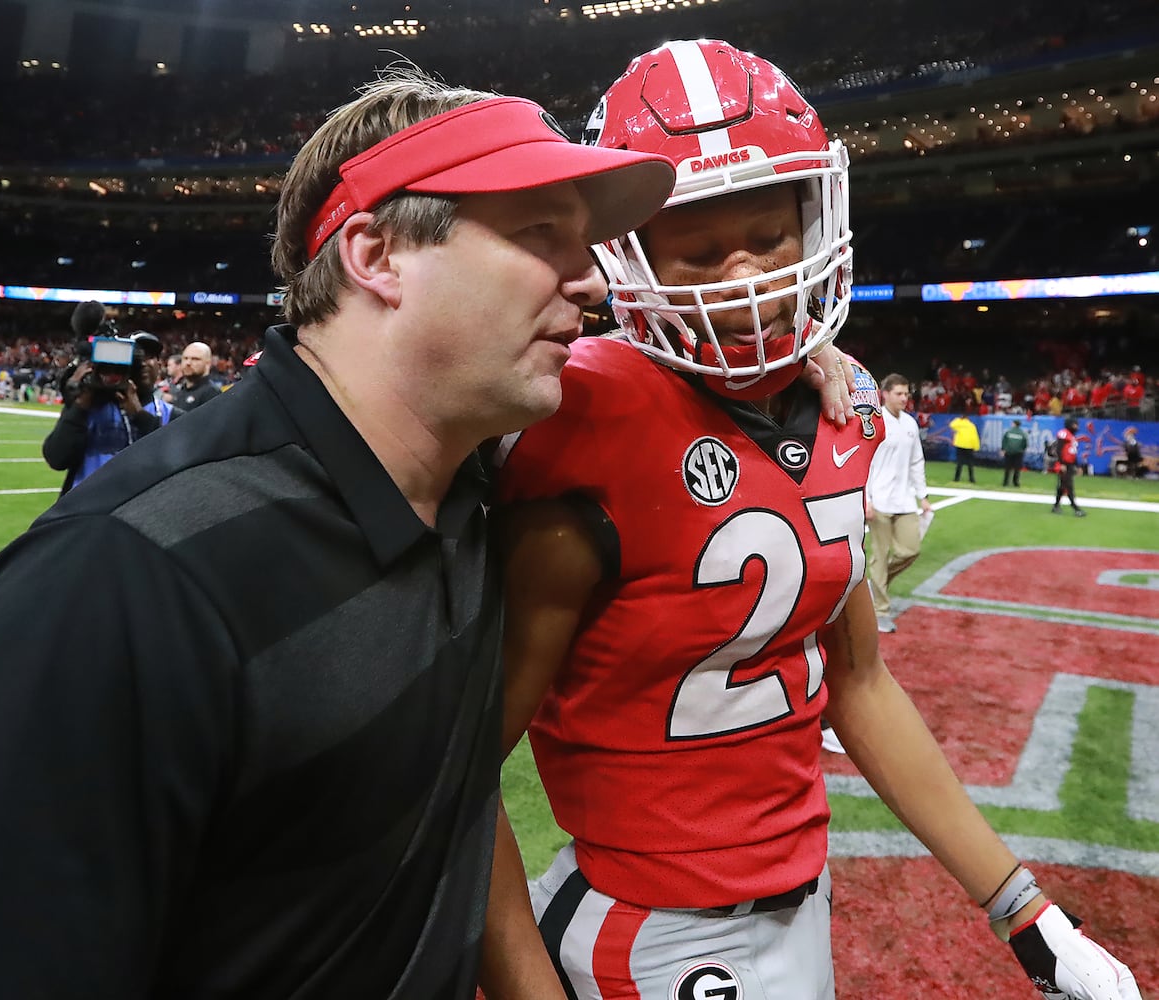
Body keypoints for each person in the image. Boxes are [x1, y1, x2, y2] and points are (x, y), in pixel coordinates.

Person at [0, 66, 676, 999]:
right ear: (378, 256)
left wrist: (818, 371)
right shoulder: (123, 580)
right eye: (539, 232)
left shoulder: (473, 481)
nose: (591, 275)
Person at [482, 40, 1140, 1000]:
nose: (745, 275)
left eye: (768, 235)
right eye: (702, 252)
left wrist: (1025, 912)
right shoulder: (579, 418)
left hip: (794, 900)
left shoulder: (844, 404)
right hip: (652, 931)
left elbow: (858, 681)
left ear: (814, 215)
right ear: (631, 259)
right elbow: (455, 771)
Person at [42, 329, 173, 493]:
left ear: (160, 365)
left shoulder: (170, 414)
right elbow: (57, 459)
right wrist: (80, 405)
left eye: (149, 356)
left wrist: (139, 416)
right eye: (135, 357)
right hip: (85, 508)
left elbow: (173, 462)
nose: (143, 363)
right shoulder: (90, 405)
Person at [866, 374, 934, 633]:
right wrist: (866, 498)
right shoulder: (874, 421)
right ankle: (881, 611)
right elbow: (866, 463)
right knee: (880, 556)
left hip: (905, 500)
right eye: (899, 394)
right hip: (879, 500)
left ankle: (877, 584)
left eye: (907, 394)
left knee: (910, 550)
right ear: (885, 394)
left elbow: (917, 461)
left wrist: (923, 496)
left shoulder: (910, 424)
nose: (905, 398)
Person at [172, 340, 222, 411]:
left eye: (195, 359)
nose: (188, 363)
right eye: (185, 358)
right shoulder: (181, 390)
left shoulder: (212, 393)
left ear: (208, 364)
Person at [1052, 414, 1087, 516]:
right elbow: (1059, 450)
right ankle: (1076, 508)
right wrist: (1062, 463)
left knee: (1062, 486)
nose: (1077, 426)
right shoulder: (1064, 434)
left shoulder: (1071, 436)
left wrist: (1078, 466)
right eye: (1075, 424)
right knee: (1069, 486)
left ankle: (1056, 506)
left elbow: (1072, 453)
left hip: (1070, 464)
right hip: (1064, 464)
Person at [949, 411, 979, 482]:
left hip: (960, 445)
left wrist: (958, 419)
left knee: (959, 463)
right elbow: (975, 437)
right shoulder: (972, 425)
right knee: (970, 464)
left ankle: (956, 478)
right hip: (969, 446)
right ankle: (971, 479)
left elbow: (951, 425)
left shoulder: (959, 424)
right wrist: (976, 447)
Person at [1001, 417, 1029, 487]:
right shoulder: (1022, 433)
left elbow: (1004, 441)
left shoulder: (1009, 432)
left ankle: (1005, 482)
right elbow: (1025, 443)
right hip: (1018, 453)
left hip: (1009, 452)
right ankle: (1015, 482)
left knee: (1007, 468)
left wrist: (1003, 449)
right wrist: (1022, 450)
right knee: (1017, 469)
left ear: (1014, 424)